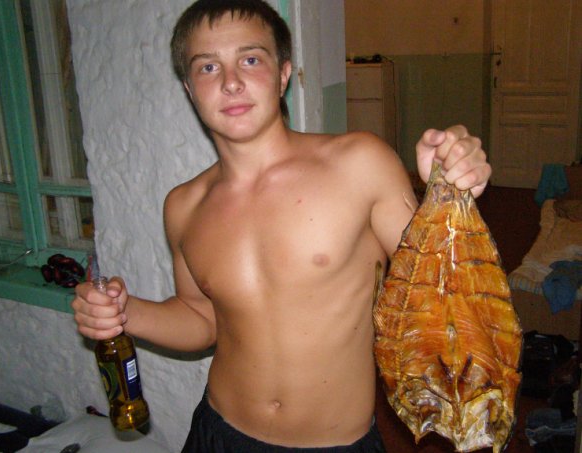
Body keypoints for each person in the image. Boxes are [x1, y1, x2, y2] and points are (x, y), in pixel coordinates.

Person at [72, 0, 491, 451]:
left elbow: (447, 295)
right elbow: (202, 319)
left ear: (284, 74)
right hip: (218, 432)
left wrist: (450, 197)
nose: (231, 82)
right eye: (208, 67)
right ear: (190, 90)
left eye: (251, 60)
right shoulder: (183, 206)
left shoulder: (360, 164)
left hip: (334, 444)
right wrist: (125, 312)